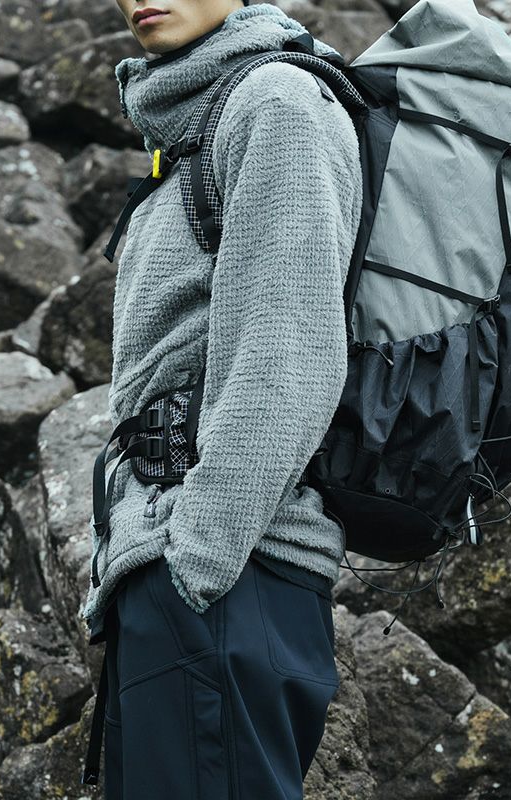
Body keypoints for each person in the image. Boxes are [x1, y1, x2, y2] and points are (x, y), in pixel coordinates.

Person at [80, 1, 364, 796]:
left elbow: (288, 355)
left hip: (227, 579)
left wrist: (194, 563)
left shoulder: (276, 101)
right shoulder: (191, 125)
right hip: (179, 576)